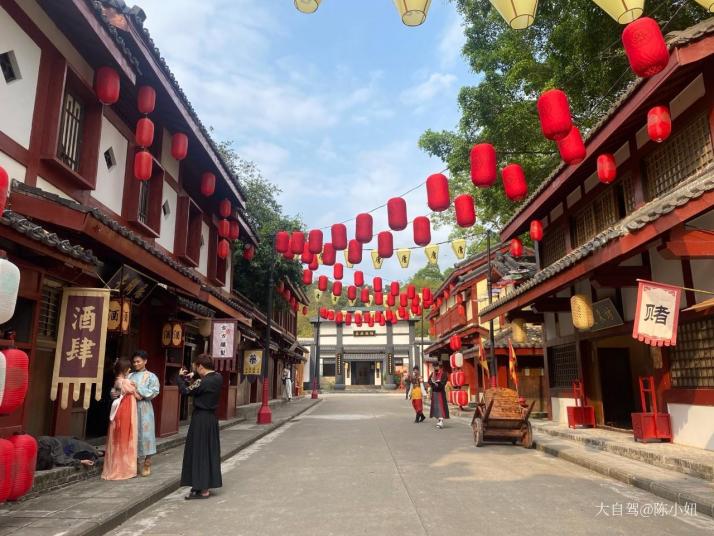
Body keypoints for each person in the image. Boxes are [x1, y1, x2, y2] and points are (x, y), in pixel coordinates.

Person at [178, 354, 223, 499]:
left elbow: (186, 391)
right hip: (211, 418)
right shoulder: (218, 377)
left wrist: (180, 379)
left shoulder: (202, 382)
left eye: (196, 368)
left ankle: (202, 489)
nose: (195, 370)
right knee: (209, 451)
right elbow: (200, 384)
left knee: (198, 451)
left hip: (200, 419)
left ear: (201, 367)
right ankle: (204, 486)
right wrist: (194, 376)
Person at [102, 357, 140, 480]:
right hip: (125, 411)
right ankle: (124, 469)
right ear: (124, 369)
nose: (129, 369)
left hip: (121, 410)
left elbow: (115, 393)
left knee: (118, 438)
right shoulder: (125, 382)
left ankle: (117, 467)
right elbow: (138, 396)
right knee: (125, 438)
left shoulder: (118, 381)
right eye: (128, 368)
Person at [129, 350, 160, 477]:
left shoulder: (151, 376)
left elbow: (154, 391)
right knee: (133, 433)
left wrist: (138, 388)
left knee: (147, 434)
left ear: (145, 361)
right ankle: (135, 461)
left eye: (138, 361)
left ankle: (147, 461)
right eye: (134, 362)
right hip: (130, 406)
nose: (135, 364)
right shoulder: (129, 375)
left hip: (145, 407)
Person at [428, 361, 450, 429]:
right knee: (436, 407)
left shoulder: (443, 373)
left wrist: (438, 384)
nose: (435, 368)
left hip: (440, 393)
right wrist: (432, 383)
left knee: (441, 407)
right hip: (434, 393)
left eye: (436, 366)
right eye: (434, 367)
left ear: (438, 366)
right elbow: (429, 381)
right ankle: (439, 420)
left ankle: (441, 421)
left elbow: (444, 382)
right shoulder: (432, 374)